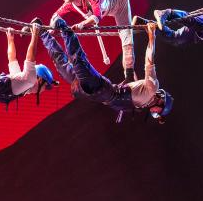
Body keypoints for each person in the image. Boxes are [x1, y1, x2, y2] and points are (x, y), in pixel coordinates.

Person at [39, 16, 172, 122]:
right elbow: (149, 61)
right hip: (101, 88)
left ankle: (42, 32)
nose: (154, 113)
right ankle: (61, 24)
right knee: (77, 59)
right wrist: (152, 37)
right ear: (161, 100)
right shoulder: (152, 88)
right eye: (157, 113)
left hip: (97, 95)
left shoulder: (142, 104)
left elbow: (129, 86)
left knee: (62, 67)